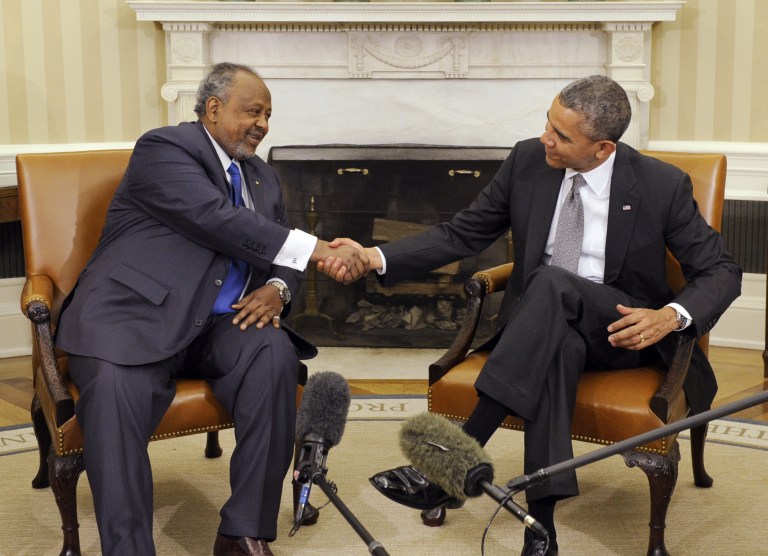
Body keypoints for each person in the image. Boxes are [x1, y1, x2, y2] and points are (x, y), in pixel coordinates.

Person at [319, 75, 742, 556]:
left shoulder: (660, 185)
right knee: (557, 341)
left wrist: (669, 316)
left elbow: (722, 272)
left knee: (549, 281)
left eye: (562, 136)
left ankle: (452, 462)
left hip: (622, 332)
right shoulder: (527, 160)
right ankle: (540, 530)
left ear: (602, 148)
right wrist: (375, 257)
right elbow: (463, 234)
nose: (546, 139)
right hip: (543, 330)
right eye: (548, 123)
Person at [55, 62, 367, 556]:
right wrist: (321, 250)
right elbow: (215, 219)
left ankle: (243, 533)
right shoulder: (165, 149)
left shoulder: (263, 176)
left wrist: (279, 291)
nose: (263, 123)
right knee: (116, 392)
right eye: (253, 111)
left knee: (273, 354)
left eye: (268, 114)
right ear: (214, 108)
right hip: (134, 317)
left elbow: (277, 253)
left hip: (223, 323)